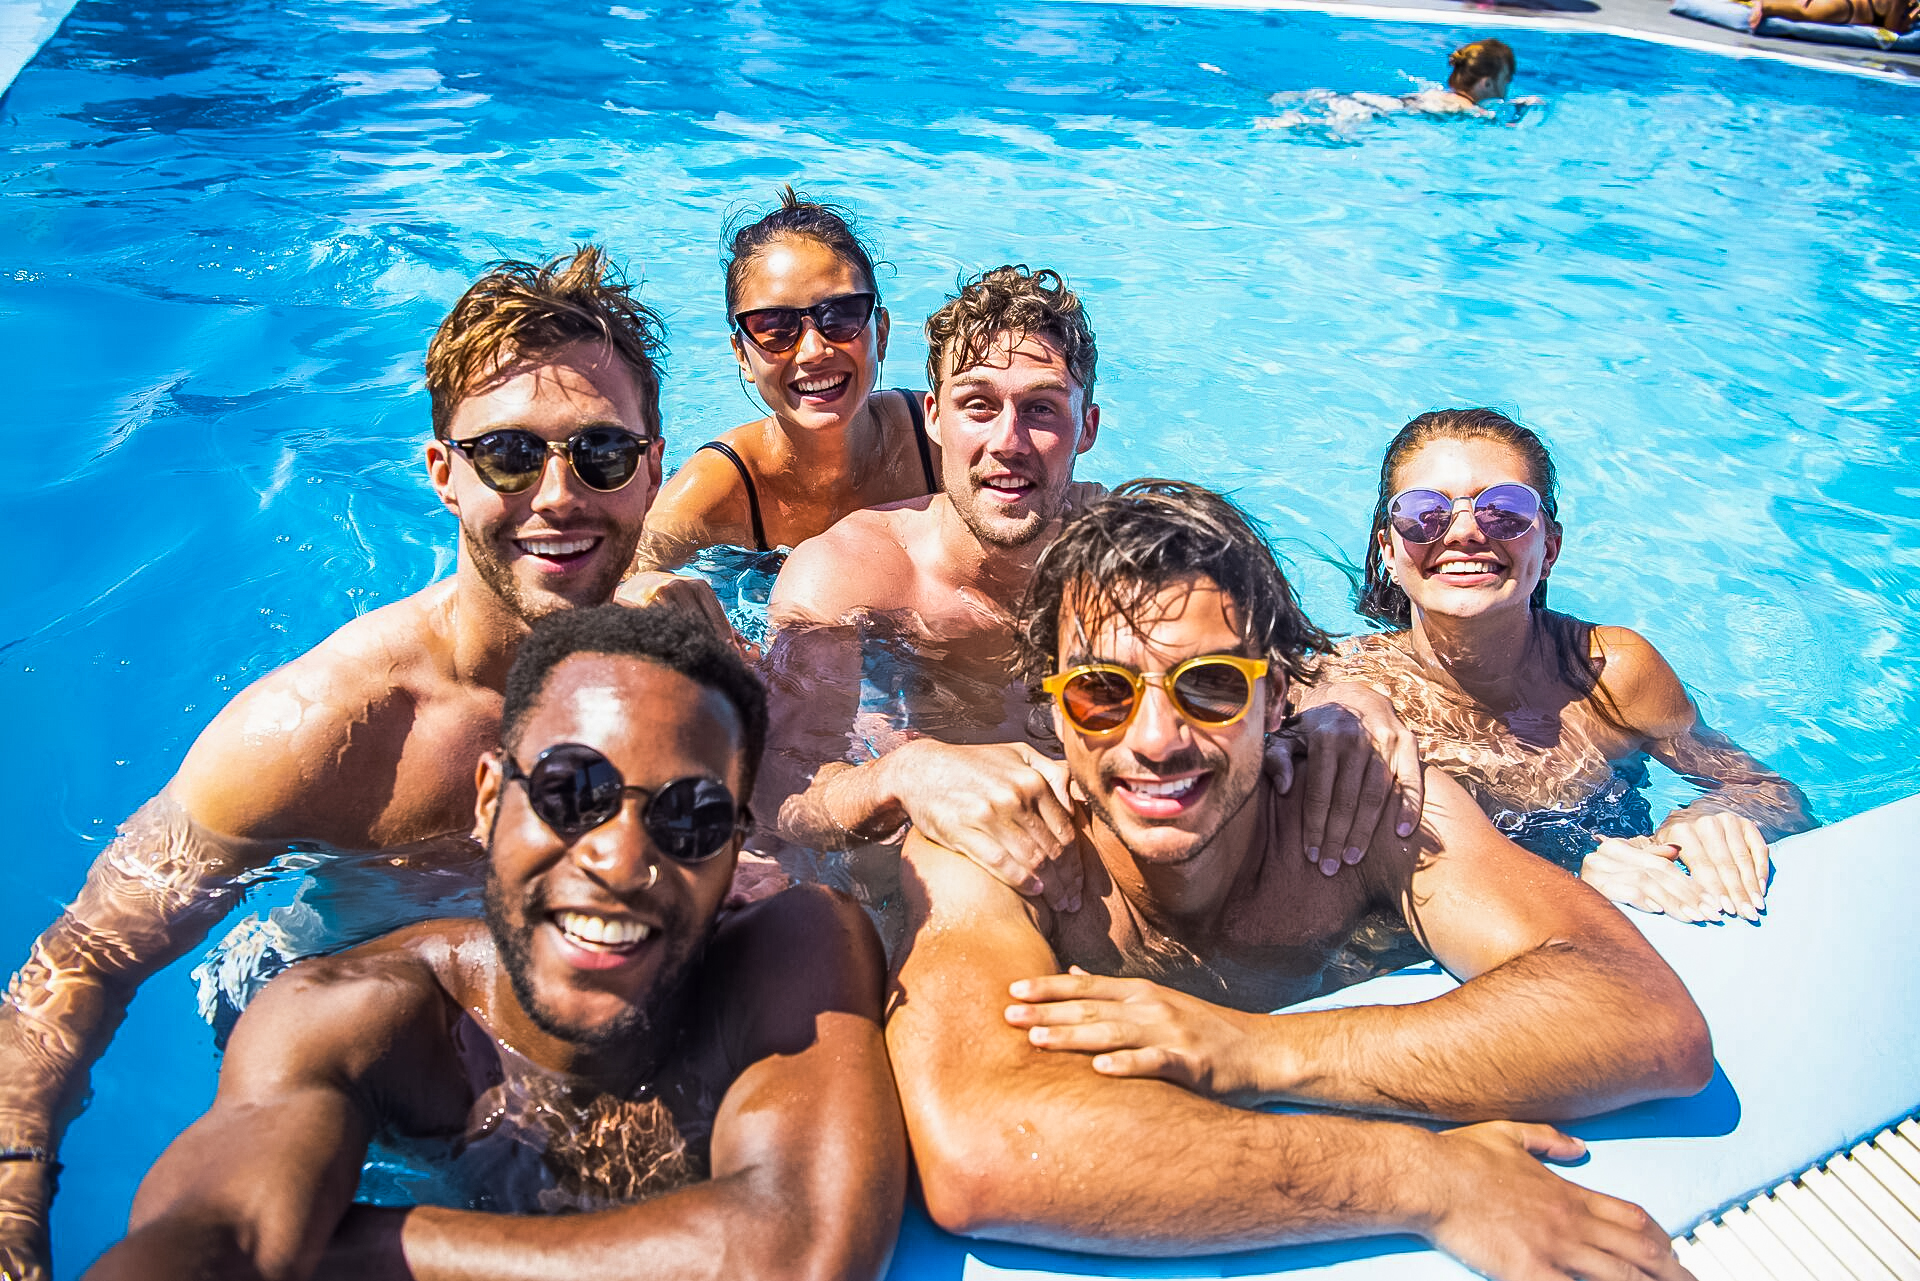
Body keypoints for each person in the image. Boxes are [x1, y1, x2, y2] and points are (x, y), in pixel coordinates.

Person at [0, 246, 730, 1280]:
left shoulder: (677, 656)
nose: (560, 495)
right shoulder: (323, 730)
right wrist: (13, 1194)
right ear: (443, 473)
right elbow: (88, 957)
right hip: (390, 1063)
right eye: (510, 456)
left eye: (601, 455)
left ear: (652, 470)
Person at [887, 480, 1710, 1280]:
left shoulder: (1354, 807)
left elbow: (1644, 1016)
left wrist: (1258, 1050)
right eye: (1102, 691)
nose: (1157, 740)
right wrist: (1427, 1181)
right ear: (1050, 709)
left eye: (1209, 685)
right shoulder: (996, 849)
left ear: (1277, 695)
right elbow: (982, 1149)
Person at [82, 605, 903, 1281]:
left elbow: (799, 1254)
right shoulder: (359, 1017)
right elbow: (214, 1237)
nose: (620, 860)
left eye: (690, 817)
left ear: (735, 854)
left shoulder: (794, 947)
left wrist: (367, 1249)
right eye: (571, 790)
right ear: (486, 802)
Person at [762, 265, 1424, 929]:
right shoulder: (851, 577)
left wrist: (1349, 701)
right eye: (979, 405)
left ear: (1088, 427)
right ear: (934, 417)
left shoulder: (1137, 548)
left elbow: (1281, 661)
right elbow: (781, 792)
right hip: (928, 880)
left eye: (1042, 409)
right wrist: (905, 773)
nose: (1008, 443)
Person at [1330, 407, 1814, 922]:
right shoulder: (1339, 694)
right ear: (1387, 546)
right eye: (1425, 511)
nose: (1465, 532)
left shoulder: (1610, 672)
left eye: (1505, 510)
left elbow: (1768, 791)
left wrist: (1713, 814)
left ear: (1550, 546)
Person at [631, 188, 940, 571]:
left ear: (881, 332)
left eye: (841, 315)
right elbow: (617, 583)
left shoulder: (937, 439)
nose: (813, 351)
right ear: (742, 355)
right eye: (774, 327)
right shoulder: (722, 486)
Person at [1749, 0, 1915, 32]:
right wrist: (1908, 20)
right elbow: (1892, 29)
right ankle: (1765, 5)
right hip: (1846, 10)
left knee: (1804, 7)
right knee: (1804, 10)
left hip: (1847, 6)